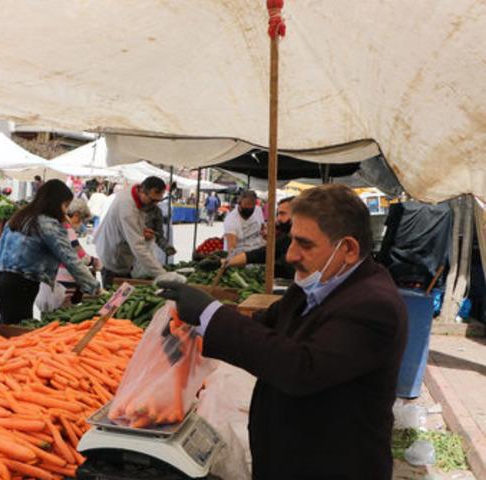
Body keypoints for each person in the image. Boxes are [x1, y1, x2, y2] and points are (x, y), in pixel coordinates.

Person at [158, 184, 407, 479]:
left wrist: (212, 315)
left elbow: (300, 367)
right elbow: (266, 323)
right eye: (291, 240)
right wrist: (195, 328)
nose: (289, 255)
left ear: (349, 249)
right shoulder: (317, 285)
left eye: (305, 244)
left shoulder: (373, 305)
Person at [0, 179, 100, 324]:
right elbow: (70, 258)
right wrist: (95, 288)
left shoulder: (21, 216)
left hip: (3, 283)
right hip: (22, 288)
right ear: (55, 202)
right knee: (17, 334)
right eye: (66, 205)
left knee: (7, 330)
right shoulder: (47, 223)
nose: (65, 211)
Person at [93, 176, 168, 288]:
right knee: (114, 297)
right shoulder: (127, 208)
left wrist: (141, 230)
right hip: (114, 258)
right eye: (153, 200)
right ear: (142, 191)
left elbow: (134, 222)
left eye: (158, 200)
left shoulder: (136, 189)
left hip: (120, 253)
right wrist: (163, 275)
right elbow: (138, 247)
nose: (155, 204)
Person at [215, 196, 295, 280]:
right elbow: (260, 254)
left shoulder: (300, 240)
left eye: (282, 213)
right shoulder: (286, 238)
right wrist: (223, 262)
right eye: (278, 214)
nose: (278, 218)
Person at [56, 198, 101, 304]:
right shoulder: (67, 229)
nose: (81, 224)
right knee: (63, 313)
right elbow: (81, 256)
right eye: (81, 220)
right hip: (65, 279)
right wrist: (95, 262)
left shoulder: (58, 225)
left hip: (55, 278)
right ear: (76, 215)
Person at [223, 190, 265, 256]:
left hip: (257, 255)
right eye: (246, 205)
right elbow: (232, 248)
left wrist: (264, 232)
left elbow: (262, 228)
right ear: (239, 203)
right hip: (240, 257)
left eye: (252, 206)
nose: (249, 208)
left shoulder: (258, 210)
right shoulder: (231, 220)